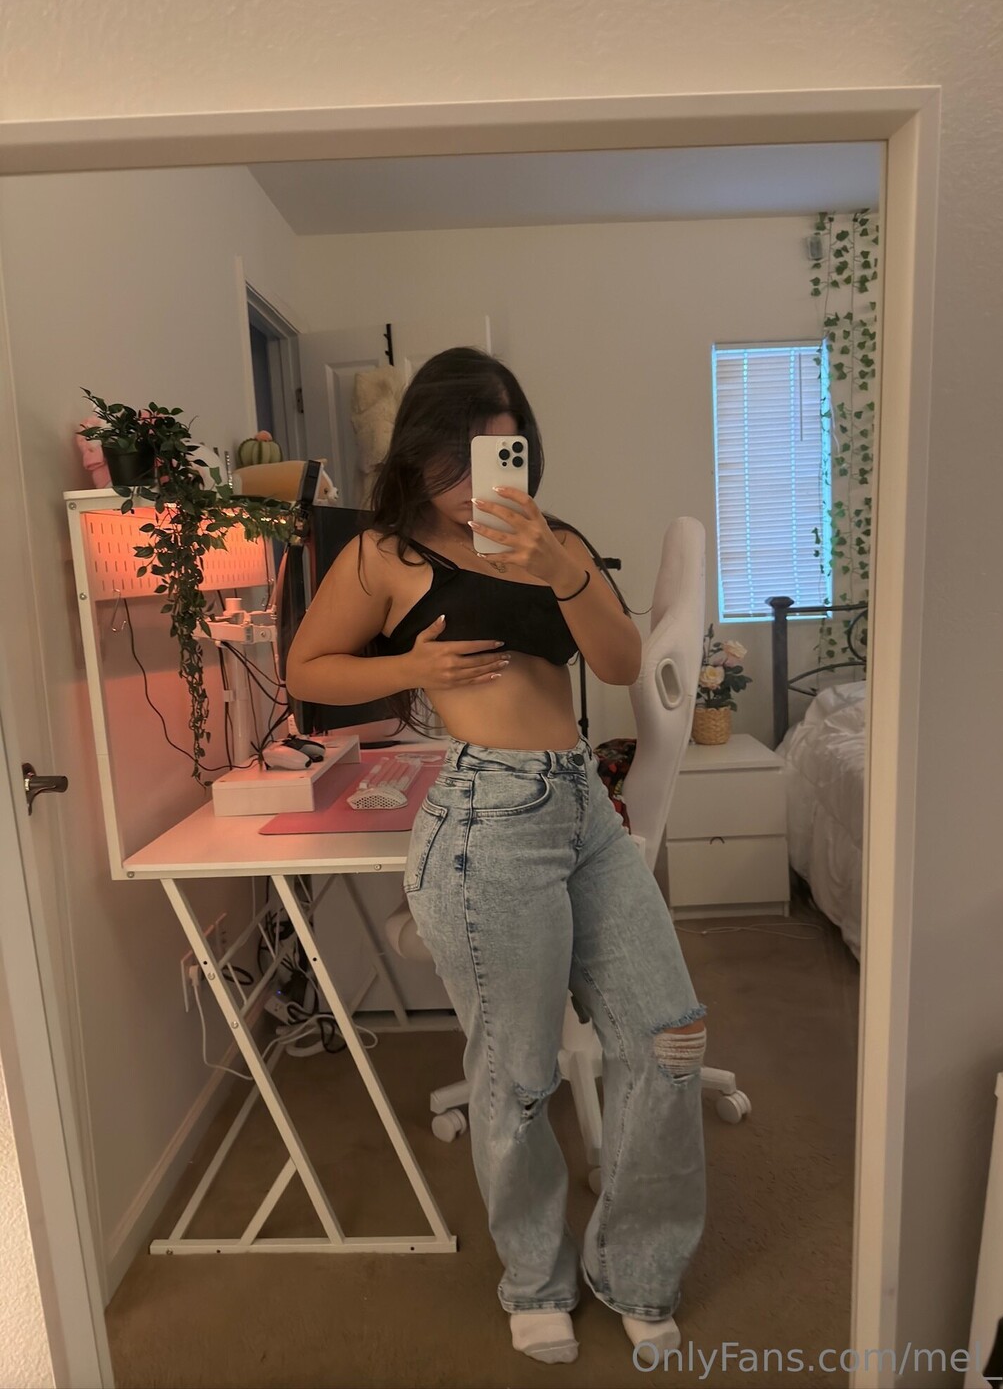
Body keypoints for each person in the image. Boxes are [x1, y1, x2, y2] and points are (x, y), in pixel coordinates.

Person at [285, 347, 707, 1365]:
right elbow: (307, 668)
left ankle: (636, 1266)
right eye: (459, 454)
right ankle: (535, 1278)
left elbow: (621, 662)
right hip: (485, 820)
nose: (476, 477)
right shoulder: (384, 555)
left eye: (500, 450)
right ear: (421, 451)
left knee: (671, 1035)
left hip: (583, 810)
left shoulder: (555, 540)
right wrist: (410, 664)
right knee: (517, 1074)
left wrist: (561, 569)